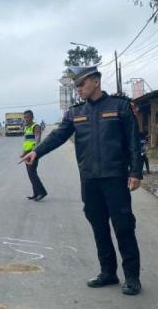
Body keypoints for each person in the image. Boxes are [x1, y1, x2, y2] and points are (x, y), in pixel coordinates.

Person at [21, 65, 143, 296]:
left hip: (115, 178)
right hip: (89, 180)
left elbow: (133, 141)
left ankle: (132, 277)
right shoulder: (76, 112)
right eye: (76, 85)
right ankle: (108, 272)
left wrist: (135, 172)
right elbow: (58, 135)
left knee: (124, 227)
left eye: (81, 84)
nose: (78, 89)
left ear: (96, 81)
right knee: (98, 226)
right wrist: (37, 151)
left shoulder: (119, 106)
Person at [21, 110, 47, 201]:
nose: (26, 119)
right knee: (31, 174)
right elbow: (27, 142)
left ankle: (42, 192)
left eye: (28, 117)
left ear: (32, 117)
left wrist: (32, 151)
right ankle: (36, 193)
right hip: (27, 154)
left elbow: (37, 141)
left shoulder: (36, 127)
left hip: (33, 153)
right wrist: (24, 153)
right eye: (25, 117)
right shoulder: (26, 128)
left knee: (32, 174)